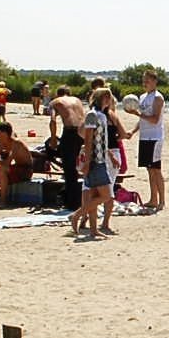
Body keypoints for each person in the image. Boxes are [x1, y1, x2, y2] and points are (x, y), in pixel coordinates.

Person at [73, 87, 119, 238]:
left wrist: (110, 154)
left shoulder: (102, 116)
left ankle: (93, 229)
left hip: (100, 159)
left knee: (94, 195)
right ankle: (77, 215)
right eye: (109, 98)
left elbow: (101, 140)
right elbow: (88, 139)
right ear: (104, 98)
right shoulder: (93, 115)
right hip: (95, 161)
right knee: (106, 195)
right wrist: (87, 161)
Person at [46, 84, 87, 211]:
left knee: (69, 168)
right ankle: (83, 198)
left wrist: (53, 138)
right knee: (83, 166)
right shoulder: (77, 100)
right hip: (83, 132)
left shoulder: (55, 102)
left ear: (58, 94)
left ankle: (72, 202)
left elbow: (53, 120)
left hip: (70, 132)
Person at [136, 69, 167, 210]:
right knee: (149, 169)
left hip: (155, 137)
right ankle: (153, 199)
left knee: (156, 169)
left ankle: (162, 200)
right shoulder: (142, 97)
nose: (145, 83)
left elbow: (154, 119)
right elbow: (142, 119)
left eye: (147, 80)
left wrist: (136, 113)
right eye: (144, 80)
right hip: (144, 137)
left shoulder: (157, 98)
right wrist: (132, 131)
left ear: (154, 81)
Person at [0, 120, 35, 201]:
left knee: (2, 169)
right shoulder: (1, 143)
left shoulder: (16, 143)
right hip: (15, 168)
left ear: (5, 133)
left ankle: (3, 200)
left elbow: (7, 162)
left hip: (25, 170)